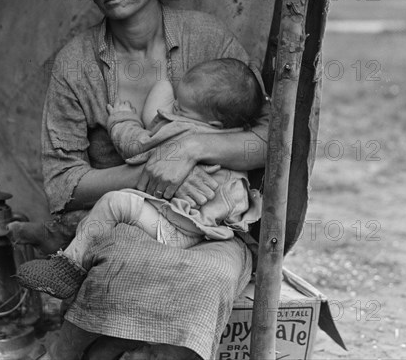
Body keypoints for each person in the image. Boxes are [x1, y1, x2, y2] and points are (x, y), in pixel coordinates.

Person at [11, 0, 270, 358]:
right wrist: (150, 173)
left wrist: (190, 149)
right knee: (124, 267)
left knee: (205, 283)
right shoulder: (77, 63)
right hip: (129, 224)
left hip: (213, 229)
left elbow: (271, 141)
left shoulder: (207, 39)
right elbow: (62, 184)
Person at [17, 58, 266, 300]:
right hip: (208, 228)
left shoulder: (182, 129)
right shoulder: (233, 134)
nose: (172, 108)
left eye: (180, 107)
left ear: (211, 122)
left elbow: (136, 145)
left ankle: (68, 267)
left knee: (114, 204)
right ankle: (60, 240)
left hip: (178, 228)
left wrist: (122, 119)